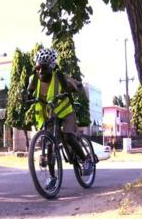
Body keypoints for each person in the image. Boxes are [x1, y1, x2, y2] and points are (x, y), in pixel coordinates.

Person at [27, 48, 93, 179]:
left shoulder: (60, 77)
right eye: (38, 68)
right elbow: (29, 92)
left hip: (66, 113)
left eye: (44, 68)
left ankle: (86, 160)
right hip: (51, 115)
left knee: (68, 136)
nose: (40, 72)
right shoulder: (33, 79)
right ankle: (52, 178)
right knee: (51, 143)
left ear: (51, 67)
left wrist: (76, 93)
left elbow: (78, 86)